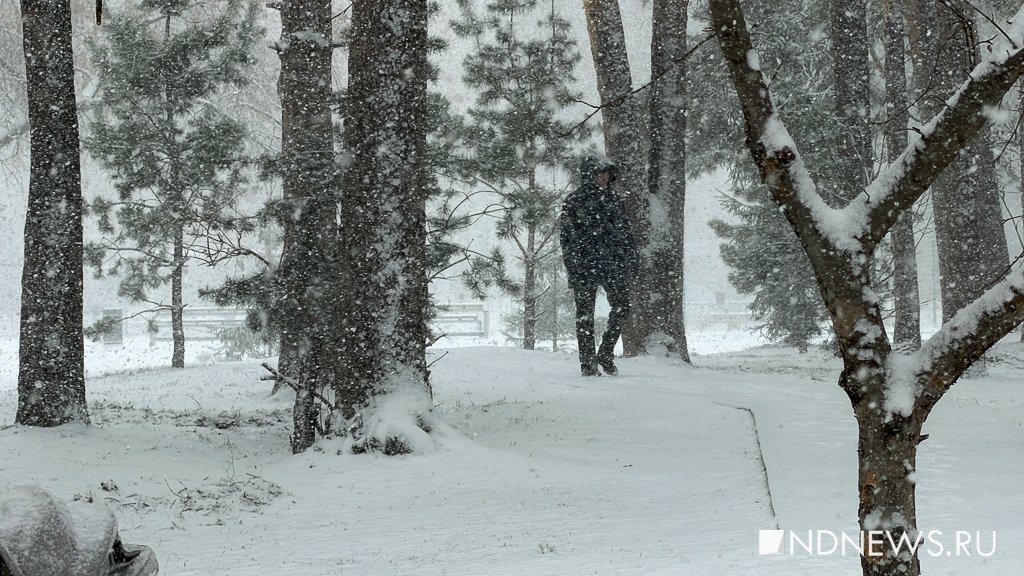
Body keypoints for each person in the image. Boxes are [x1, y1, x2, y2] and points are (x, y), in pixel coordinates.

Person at [559, 155, 641, 376]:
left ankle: (605, 353)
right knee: (585, 316)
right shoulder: (574, 200)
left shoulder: (614, 199)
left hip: (612, 265)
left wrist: (632, 258)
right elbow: (566, 238)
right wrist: (573, 266)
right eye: (601, 173)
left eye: (608, 174)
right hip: (584, 266)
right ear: (590, 175)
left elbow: (625, 233)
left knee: (622, 306)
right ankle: (588, 365)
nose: (605, 178)